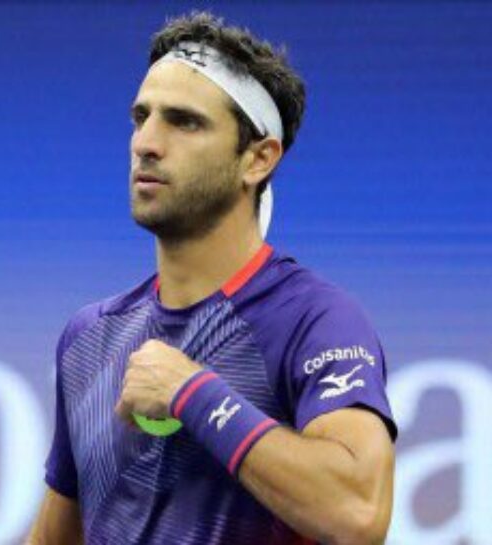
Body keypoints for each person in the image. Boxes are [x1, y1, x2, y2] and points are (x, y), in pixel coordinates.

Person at [27, 12, 396, 545]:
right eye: (141, 117)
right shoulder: (89, 337)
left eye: (184, 121)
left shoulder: (317, 321)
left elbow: (358, 513)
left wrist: (191, 393)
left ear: (258, 159)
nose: (146, 142)